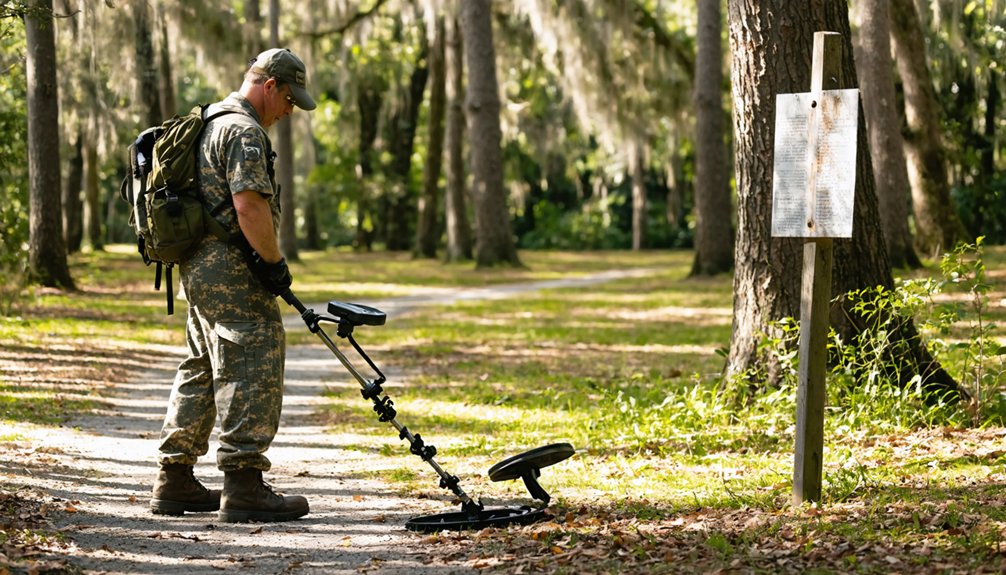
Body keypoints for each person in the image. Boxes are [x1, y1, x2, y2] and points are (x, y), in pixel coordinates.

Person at [149, 48, 317, 523]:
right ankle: (244, 483)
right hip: (232, 269)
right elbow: (248, 205)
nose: (289, 110)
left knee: (202, 365)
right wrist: (273, 264)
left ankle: (175, 478)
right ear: (269, 87)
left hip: (198, 265)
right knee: (253, 356)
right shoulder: (243, 131)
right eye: (288, 99)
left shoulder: (209, 120)